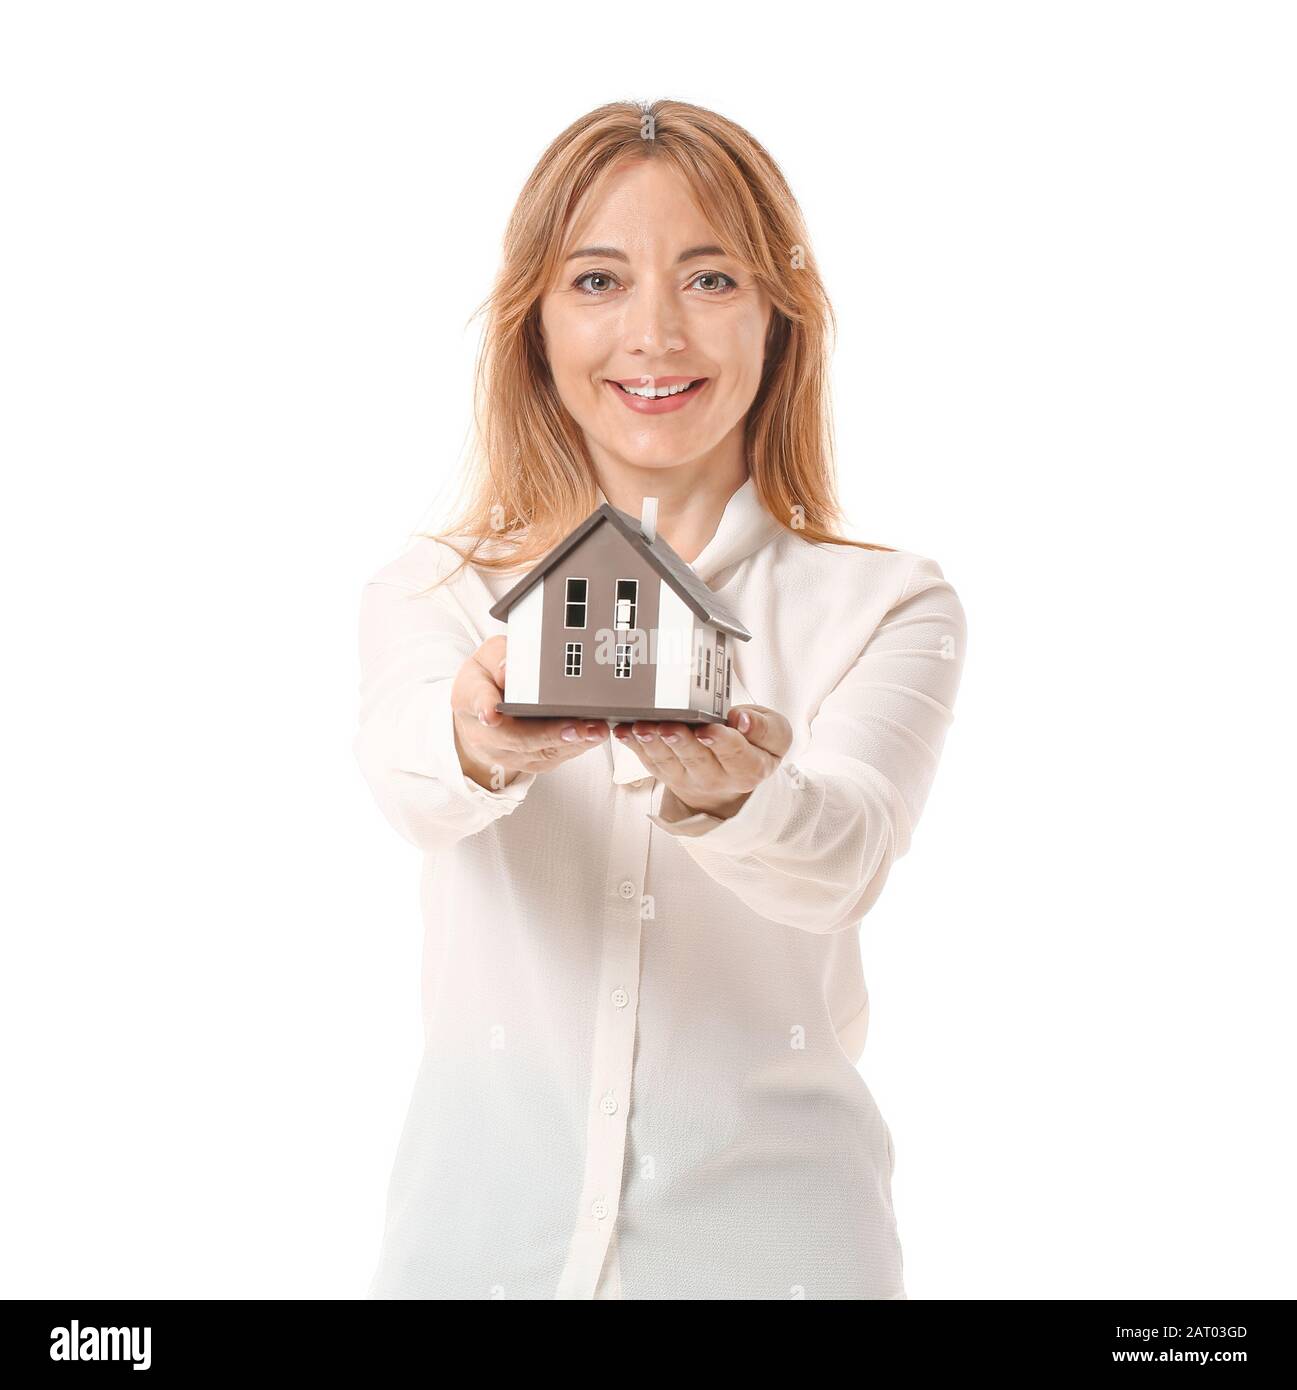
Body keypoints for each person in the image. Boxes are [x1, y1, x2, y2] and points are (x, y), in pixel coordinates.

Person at [353, 99, 967, 1300]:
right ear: (532, 321)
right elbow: (404, 777)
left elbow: (842, 858)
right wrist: (477, 739)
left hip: (783, 1255)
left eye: (709, 278)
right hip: (475, 1250)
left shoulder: (889, 602)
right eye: (595, 280)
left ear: (778, 316)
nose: (652, 334)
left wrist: (742, 798)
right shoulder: (434, 589)